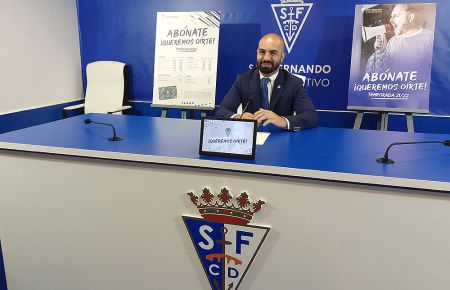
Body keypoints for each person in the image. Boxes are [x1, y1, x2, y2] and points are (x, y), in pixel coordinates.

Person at [215, 33, 318, 131]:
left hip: (281, 139)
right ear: (257, 53)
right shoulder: (243, 80)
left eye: (273, 53)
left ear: (282, 57)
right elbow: (221, 111)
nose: (266, 58)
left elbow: (311, 116)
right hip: (250, 138)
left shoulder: (294, 83)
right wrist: (238, 117)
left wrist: (283, 121)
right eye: (262, 52)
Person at [366, 4, 434, 74]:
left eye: (395, 16)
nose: (391, 20)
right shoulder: (393, 41)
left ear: (410, 17)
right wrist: (380, 52)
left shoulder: (431, 38)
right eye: (391, 17)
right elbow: (380, 73)